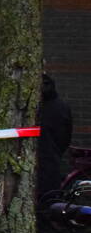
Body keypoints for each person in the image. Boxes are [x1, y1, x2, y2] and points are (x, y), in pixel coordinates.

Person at [37, 73, 73, 201]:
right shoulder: (63, 106)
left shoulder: (38, 107)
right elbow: (66, 136)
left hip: (44, 154)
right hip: (53, 155)